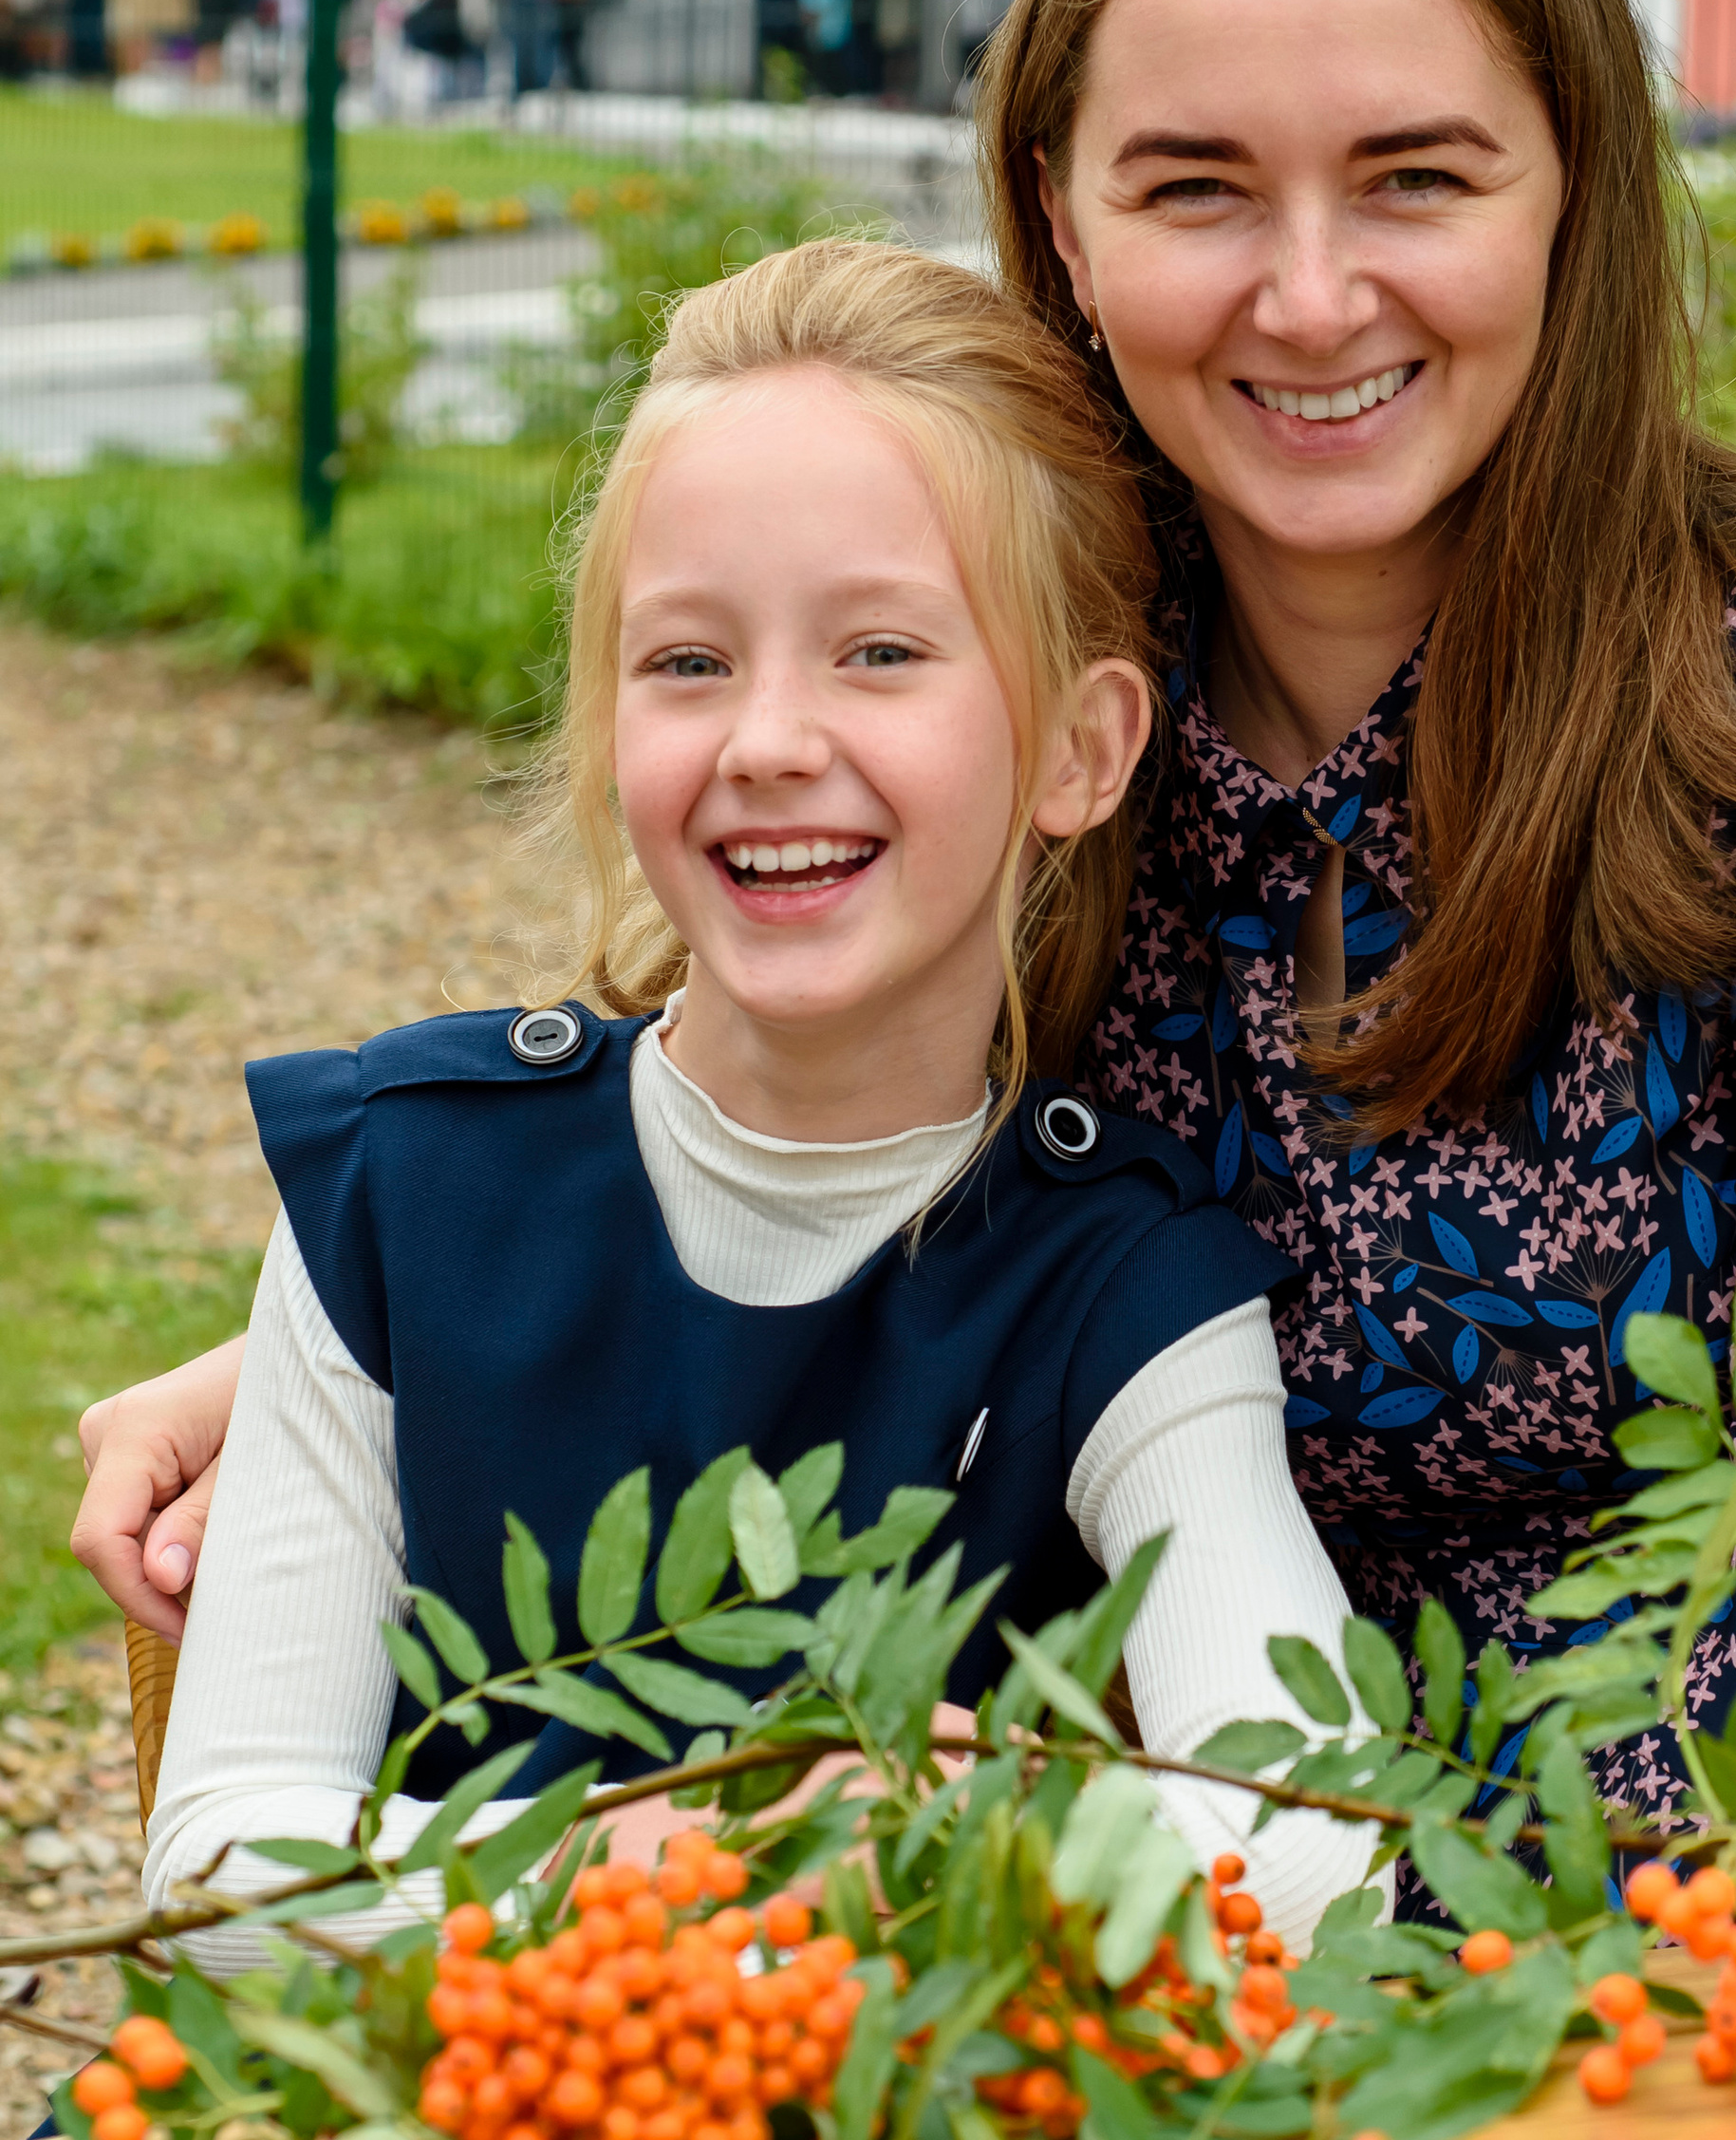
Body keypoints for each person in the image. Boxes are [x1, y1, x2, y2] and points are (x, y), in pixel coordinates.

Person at [81, 0, 1736, 1895]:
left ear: (1567, 183)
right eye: (1194, 187)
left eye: (1413, 173)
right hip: (1279, 1883)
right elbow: (777, 1026)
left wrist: (1089, 1841)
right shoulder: (1027, 672)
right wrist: (353, 1330)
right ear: (1057, 211)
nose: (1310, 297)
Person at [137, 239, 1374, 1969]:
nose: (769, 739)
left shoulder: (1122, 1293)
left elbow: (1317, 1856)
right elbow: (217, 1872)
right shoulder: (404, 1195)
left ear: (1083, 750)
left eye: (879, 652)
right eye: (689, 663)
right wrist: (721, 1855)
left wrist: (961, 1830)